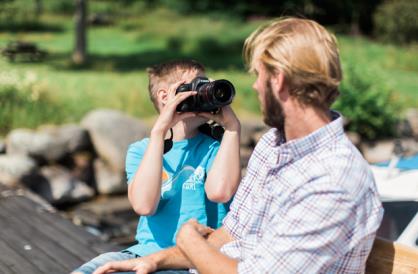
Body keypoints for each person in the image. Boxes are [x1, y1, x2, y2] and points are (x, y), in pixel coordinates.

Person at [93, 17, 384, 274]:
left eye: (258, 75)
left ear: (278, 81)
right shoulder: (273, 145)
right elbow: (231, 233)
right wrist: (155, 261)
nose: (255, 86)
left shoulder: (333, 178)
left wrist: (189, 240)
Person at [72, 59, 241, 274]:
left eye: (205, 85)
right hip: (144, 253)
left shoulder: (217, 147)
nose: (203, 92)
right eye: (195, 86)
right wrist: (159, 131)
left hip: (191, 262)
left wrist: (233, 128)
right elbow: (144, 206)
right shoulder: (142, 150)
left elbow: (220, 192)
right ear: (165, 96)